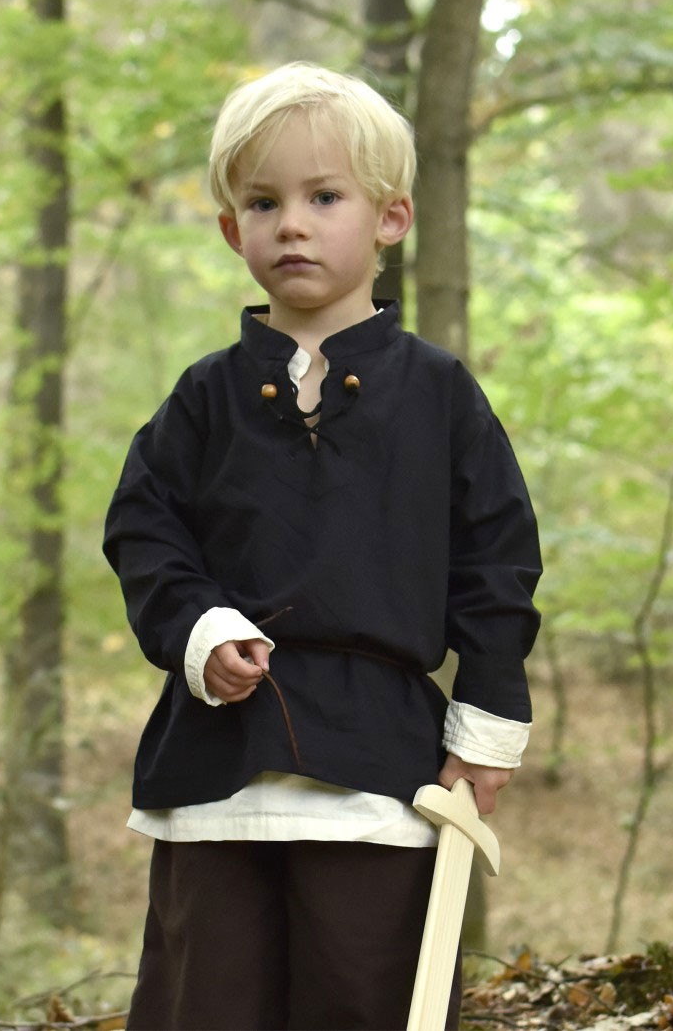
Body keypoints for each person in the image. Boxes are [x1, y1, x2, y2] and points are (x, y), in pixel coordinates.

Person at [103, 61, 542, 1031]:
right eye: (264, 203)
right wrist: (201, 629)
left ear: (392, 218)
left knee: (363, 1003)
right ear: (233, 231)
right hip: (216, 767)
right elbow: (143, 528)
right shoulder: (203, 398)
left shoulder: (439, 394)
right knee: (206, 1008)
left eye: (325, 197)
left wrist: (486, 730)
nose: (291, 225)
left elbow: (497, 562)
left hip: (383, 772)